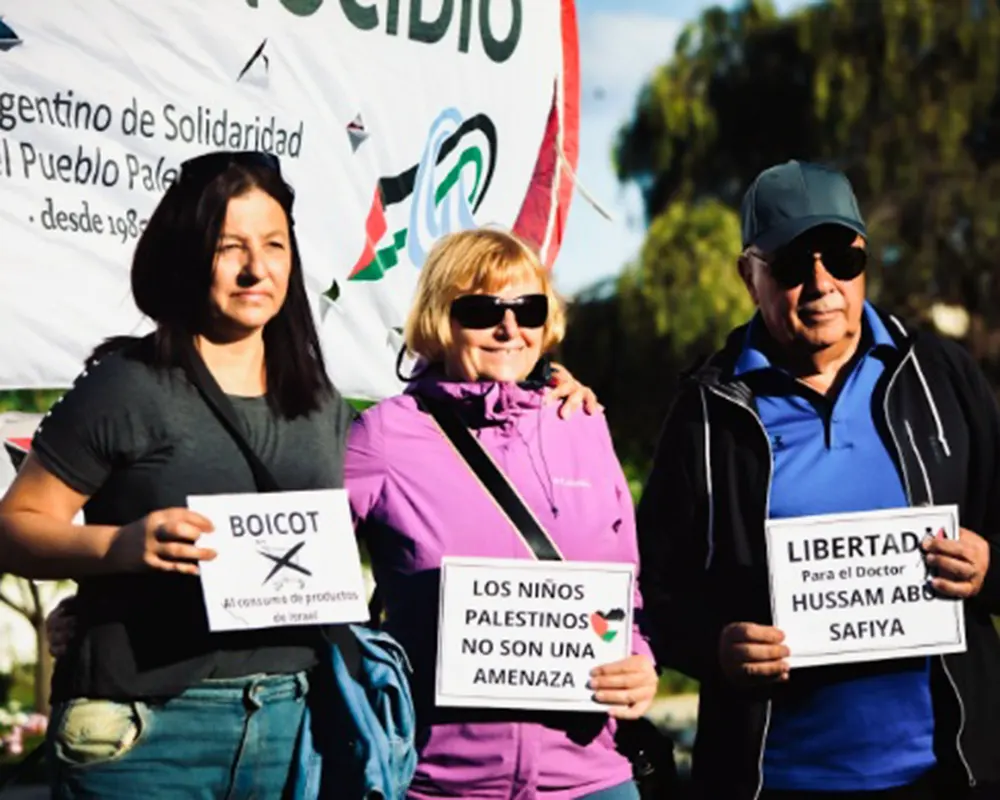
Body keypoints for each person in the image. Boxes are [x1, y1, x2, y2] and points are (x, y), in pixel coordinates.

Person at [637, 159, 1000, 800]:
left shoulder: (941, 375)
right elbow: (655, 590)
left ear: (865, 256)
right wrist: (715, 648)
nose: (821, 282)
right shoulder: (705, 408)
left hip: (949, 773)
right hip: (775, 780)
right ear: (749, 277)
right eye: (791, 264)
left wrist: (989, 565)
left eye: (841, 257)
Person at [345, 227, 659, 799]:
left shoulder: (582, 423)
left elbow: (627, 591)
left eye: (528, 309)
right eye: (483, 309)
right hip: (441, 783)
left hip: (591, 780)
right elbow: (304, 570)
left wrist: (639, 661)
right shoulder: (384, 437)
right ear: (441, 318)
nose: (509, 327)